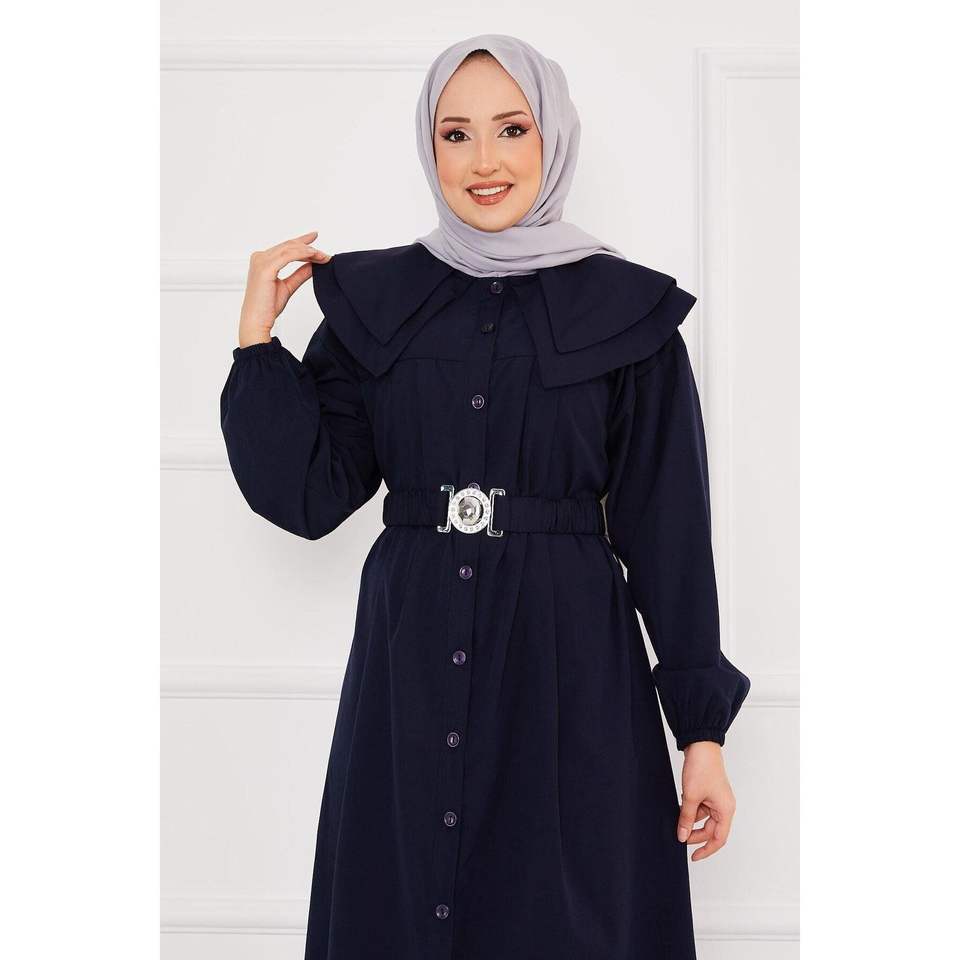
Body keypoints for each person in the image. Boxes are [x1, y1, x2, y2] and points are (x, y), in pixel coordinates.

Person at [220, 33, 751, 960]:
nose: (484, 161)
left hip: (570, 665)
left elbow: (669, 533)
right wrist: (257, 345)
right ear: (428, 148)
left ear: (553, 137)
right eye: (455, 134)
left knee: (563, 913)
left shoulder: (628, 315)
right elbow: (308, 495)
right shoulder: (376, 301)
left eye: (512, 128)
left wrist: (700, 733)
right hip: (411, 659)